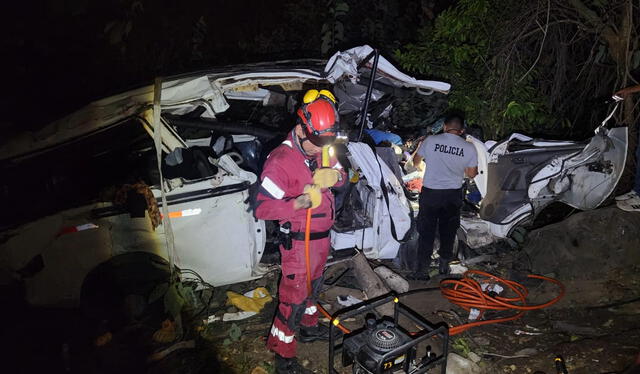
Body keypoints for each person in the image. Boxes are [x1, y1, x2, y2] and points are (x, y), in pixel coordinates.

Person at [254, 89, 345, 374]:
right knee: (292, 300)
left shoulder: (325, 149)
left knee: (313, 291)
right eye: (318, 141)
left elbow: (341, 175)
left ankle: (308, 328)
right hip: (298, 244)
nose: (322, 149)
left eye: (327, 141)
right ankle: (283, 355)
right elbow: (262, 208)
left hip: (321, 241)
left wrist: (336, 177)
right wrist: (299, 202)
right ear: (301, 129)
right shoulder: (280, 160)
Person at [410, 114, 478, 280]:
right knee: (448, 231)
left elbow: (415, 162)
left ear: (445, 126)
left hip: (431, 193)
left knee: (426, 231)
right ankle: (443, 265)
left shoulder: (431, 140)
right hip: (452, 195)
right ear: (462, 130)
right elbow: (471, 174)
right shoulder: (469, 148)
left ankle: (422, 271)